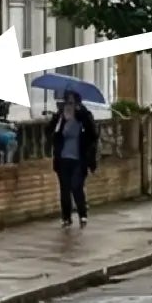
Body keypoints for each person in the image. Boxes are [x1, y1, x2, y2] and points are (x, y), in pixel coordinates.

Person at [50, 88, 99, 226]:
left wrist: (80, 114)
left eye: (72, 102)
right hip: (63, 158)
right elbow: (52, 132)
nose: (69, 105)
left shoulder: (84, 116)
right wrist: (58, 119)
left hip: (79, 158)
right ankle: (66, 217)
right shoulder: (61, 117)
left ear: (77, 102)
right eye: (67, 102)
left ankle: (82, 214)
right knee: (64, 188)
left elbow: (93, 134)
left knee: (76, 186)